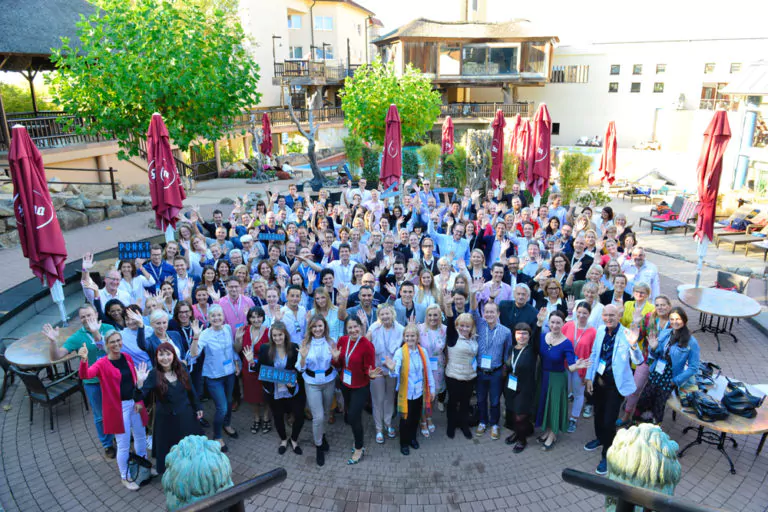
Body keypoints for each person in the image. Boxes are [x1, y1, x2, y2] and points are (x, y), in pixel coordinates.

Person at [77, 330, 149, 490]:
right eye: (112, 342)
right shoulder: (102, 363)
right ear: (106, 345)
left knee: (140, 437)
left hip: (134, 403)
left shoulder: (127, 358)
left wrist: (138, 399)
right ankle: (125, 476)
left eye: (118, 340)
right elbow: (86, 375)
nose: (116, 344)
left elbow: (134, 382)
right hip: (118, 408)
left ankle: (143, 467)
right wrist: (83, 360)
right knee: (123, 444)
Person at [43, 305, 116, 458]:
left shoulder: (108, 328)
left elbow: (117, 350)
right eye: (82, 317)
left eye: (89, 314)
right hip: (93, 382)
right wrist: (52, 342)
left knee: (116, 409)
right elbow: (56, 356)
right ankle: (107, 444)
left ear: (96, 314)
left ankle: (119, 433)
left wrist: (96, 332)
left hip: (112, 379)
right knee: (100, 415)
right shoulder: (77, 337)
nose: (86, 319)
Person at [584, 305, 644, 475]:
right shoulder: (601, 330)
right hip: (599, 380)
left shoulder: (627, 334)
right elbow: (595, 353)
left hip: (615, 386)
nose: (608, 318)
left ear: (619, 316)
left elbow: (638, 361)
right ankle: (600, 439)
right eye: (606, 315)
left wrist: (633, 345)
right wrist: (589, 377)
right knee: (598, 414)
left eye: (612, 315)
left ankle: (606, 455)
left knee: (609, 421)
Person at [135, 343, 203, 475]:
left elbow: (191, 389)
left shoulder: (182, 367)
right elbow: (141, 396)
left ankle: (192, 471)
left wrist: (197, 406)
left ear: (173, 355)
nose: (165, 358)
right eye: (161, 354)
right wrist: (139, 384)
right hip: (166, 419)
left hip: (186, 415)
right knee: (170, 449)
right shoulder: (154, 374)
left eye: (168, 354)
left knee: (190, 447)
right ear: (156, 357)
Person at [244, 321, 306, 456]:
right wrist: (251, 362)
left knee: (299, 416)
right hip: (274, 391)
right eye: (275, 335)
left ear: (285, 335)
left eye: (280, 335)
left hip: (292, 390)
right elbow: (260, 369)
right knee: (278, 416)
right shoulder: (265, 349)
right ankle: (284, 440)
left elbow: (299, 370)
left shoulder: (294, 347)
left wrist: (296, 375)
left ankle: (294, 439)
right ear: (271, 336)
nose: (277, 338)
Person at [534, 310, 590, 450]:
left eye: (558, 322)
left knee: (554, 406)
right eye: (552, 322)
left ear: (563, 324)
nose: (555, 325)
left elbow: (570, 366)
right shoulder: (542, 337)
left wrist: (577, 366)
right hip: (543, 376)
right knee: (545, 404)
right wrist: (538, 324)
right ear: (548, 322)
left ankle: (553, 434)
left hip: (558, 378)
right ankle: (547, 430)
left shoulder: (566, 343)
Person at [636, 307, 700, 423]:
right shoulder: (666, 333)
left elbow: (693, 368)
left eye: (678, 319)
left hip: (670, 377)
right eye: (672, 319)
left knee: (658, 406)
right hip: (656, 372)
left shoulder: (692, 342)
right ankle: (638, 425)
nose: (675, 322)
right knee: (644, 400)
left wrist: (675, 381)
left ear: (684, 320)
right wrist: (654, 347)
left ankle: (654, 430)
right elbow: (656, 354)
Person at [189, 304, 239, 452]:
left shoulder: (228, 329)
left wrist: (236, 363)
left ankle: (227, 424)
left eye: (219, 315)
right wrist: (196, 337)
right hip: (213, 376)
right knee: (222, 407)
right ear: (208, 318)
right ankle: (217, 435)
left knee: (229, 402)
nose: (217, 318)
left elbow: (231, 350)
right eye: (213, 316)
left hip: (229, 373)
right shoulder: (205, 334)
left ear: (223, 317)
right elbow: (193, 354)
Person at [333, 316, 383, 464]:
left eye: (356, 327)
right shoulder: (342, 340)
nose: (353, 330)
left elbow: (369, 368)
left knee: (354, 417)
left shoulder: (367, 345)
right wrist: (335, 359)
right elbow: (338, 363)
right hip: (345, 383)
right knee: (349, 411)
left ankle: (359, 447)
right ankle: (353, 424)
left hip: (360, 386)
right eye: (350, 327)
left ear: (361, 327)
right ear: (346, 329)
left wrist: (371, 374)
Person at [618, 294, 674, 426]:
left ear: (669, 306)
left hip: (665, 365)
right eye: (657, 305)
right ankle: (627, 415)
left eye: (663, 305)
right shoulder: (649, 318)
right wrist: (636, 322)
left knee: (654, 393)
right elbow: (636, 337)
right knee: (636, 387)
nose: (660, 307)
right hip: (647, 359)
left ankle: (647, 420)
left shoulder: (674, 322)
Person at [385, 324, 435, 456]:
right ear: (404, 337)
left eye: (412, 335)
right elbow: (395, 371)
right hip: (405, 393)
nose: (410, 338)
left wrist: (432, 388)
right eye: (407, 336)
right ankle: (404, 443)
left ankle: (413, 438)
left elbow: (428, 371)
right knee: (405, 419)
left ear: (417, 337)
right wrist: (392, 368)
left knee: (415, 417)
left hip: (419, 392)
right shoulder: (400, 352)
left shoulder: (422, 352)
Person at [469, 289, 512, 441]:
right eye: (486, 312)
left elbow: (507, 352)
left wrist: (504, 369)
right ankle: (482, 421)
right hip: (480, 371)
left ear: (498, 314)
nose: (489, 315)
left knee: (494, 401)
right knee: (480, 400)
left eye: (492, 312)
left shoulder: (506, 332)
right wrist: (474, 293)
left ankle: (494, 424)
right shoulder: (480, 325)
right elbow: (473, 310)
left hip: (496, 372)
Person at [297, 315, 338, 466]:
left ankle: (323, 434)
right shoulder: (305, 343)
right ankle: (319, 445)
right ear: (310, 328)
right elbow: (300, 368)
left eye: (320, 326)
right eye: (314, 327)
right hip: (312, 382)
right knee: (318, 417)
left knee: (326, 413)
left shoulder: (331, 341)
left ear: (325, 327)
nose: (317, 329)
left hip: (328, 381)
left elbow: (335, 361)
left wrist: (336, 358)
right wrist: (302, 358)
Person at [442, 293, 478, 440]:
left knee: (465, 402)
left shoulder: (474, 339)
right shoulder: (453, 336)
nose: (464, 328)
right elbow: (450, 321)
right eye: (461, 325)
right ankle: (451, 425)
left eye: (467, 326)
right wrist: (448, 306)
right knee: (452, 402)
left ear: (471, 327)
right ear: (457, 326)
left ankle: (463, 425)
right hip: (454, 376)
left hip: (470, 376)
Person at [366, 304, 404, 444]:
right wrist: (365, 327)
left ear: (392, 314)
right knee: (377, 400)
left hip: (392, 370)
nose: (385, 317)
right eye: (382, 314)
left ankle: (388, 424)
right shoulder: (374, 328)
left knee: (389, 398)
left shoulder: (400, 329)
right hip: (378, 370)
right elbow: (365, 343)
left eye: (387, 314)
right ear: (379, 316)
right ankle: (379, 429)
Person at [235, 306, 271, 436]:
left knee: (265, 393)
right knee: (252, 394)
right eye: (253, 317)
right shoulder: (243, 330)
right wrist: (238, 339)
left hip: (263, 368)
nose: (256, 319)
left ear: (263, 317)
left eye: (259, 316)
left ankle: (266, 416)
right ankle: (256, 417)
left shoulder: (268, 331)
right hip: (248, 369)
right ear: (249, 318)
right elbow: (237, 349)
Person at [503, 323, 538, 453]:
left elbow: (537, 337)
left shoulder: (532, 349)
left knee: (520, 416)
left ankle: (522, 440)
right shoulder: (512, 348)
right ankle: (517, 433)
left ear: (529, 336)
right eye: (519, 333)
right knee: (512, 413)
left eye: (525, 333)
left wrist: (538, 325)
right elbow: (509, 365)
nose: (521, 336)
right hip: (511, 386)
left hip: (525, 388)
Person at [561, 302, 597, 433]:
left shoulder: (593, 332)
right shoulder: (568, 325)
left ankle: (573, 419)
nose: (581, 315)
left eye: (585, 313)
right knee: (564, 391)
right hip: (566, 365)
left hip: (581, 369)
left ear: (589, 314)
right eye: (579, 312)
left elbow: (593, 354)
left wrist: (588, 375)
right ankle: (561, 415)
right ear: (576, 312)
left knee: (578, 394)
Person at [419, 304, 447, 429]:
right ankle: (423, 420)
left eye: (435, 315)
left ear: (440, 316)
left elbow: (447, 348)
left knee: (433, 394)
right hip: (422, 367)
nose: (432, 318)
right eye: (430, 315)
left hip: (438, 368)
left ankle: (429, 417)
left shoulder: (445, 329)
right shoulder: (419, 329)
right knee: (424, 394)